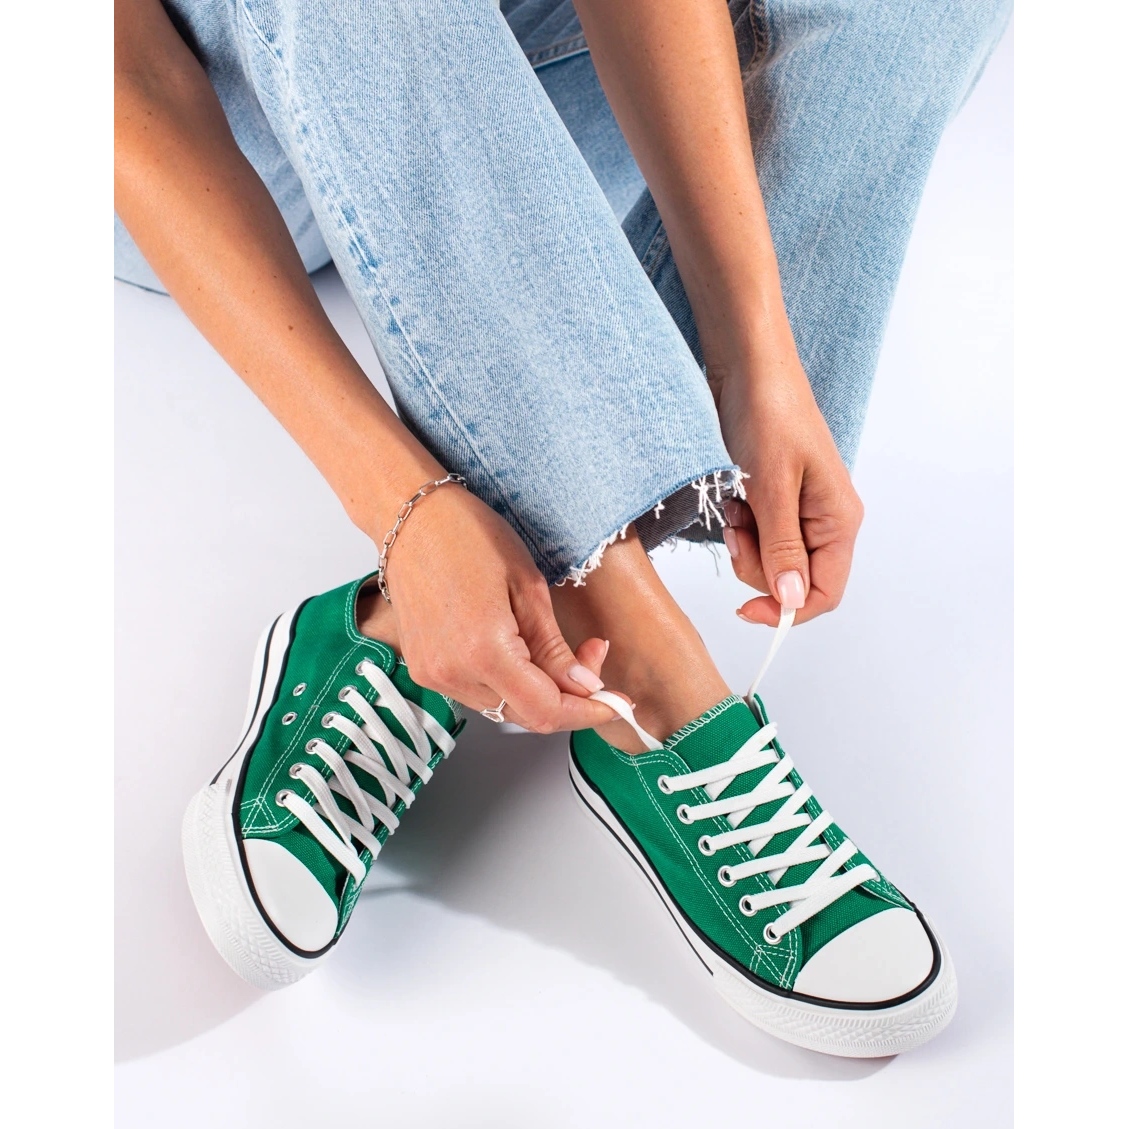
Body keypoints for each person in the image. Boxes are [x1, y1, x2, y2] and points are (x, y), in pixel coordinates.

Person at [115, 0, 1009, 1057]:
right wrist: (404, 504)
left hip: (516, 67)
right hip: (224, 109)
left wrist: (753, 354)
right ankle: (645, 666)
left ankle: (434, 604)